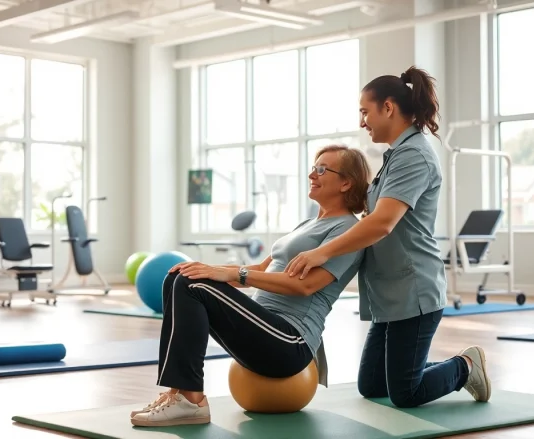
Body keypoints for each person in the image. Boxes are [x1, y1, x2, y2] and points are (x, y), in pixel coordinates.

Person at [284, 66, 492, 408]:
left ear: (389, 108)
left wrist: (321, 253)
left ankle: (465, 366)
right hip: (391, 295)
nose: (362, 121)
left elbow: (381, 223)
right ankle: (412, 369)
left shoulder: (414, 155)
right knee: (372, 386)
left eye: (365, 112)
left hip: (415, 292)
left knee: (406, 394)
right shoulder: (396, 154)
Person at [130, 145, 371, 427]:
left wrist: (229, 272)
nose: (311, 174)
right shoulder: (307, 223)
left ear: (346, 182)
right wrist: (210, 271)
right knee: (180, 277)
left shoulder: (346, 231)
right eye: (313, 167)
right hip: (262, 329)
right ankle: (177, 393)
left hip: (290, 341)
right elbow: (260, 269)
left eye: (321, 169)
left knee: (189, 284)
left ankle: (191, 401)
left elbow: (304, 286)